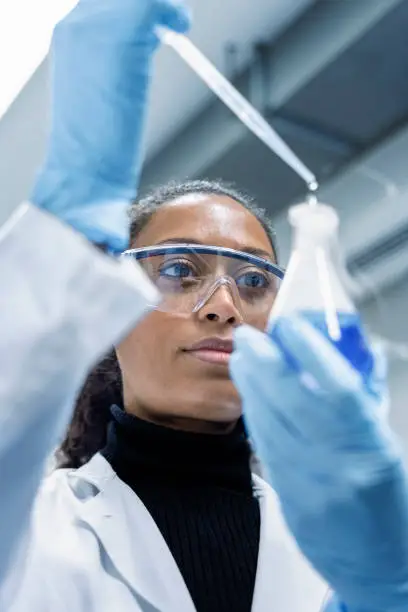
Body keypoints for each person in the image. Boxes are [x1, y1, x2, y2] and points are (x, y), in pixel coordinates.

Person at [1, 0, 408, 611]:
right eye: (178, 270)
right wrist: (64, 230)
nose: (224, 308)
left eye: (253, 282)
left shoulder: (356, 547)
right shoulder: (30, 524)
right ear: (111, 307)